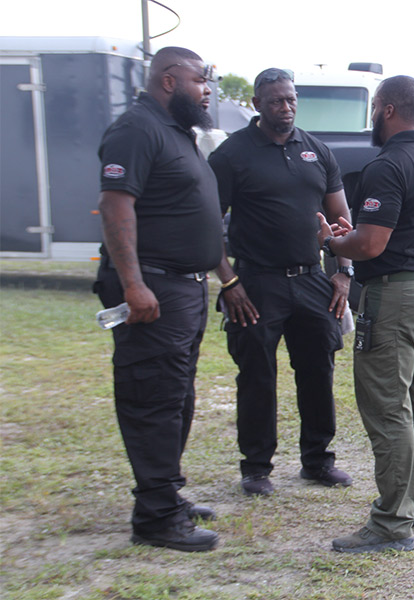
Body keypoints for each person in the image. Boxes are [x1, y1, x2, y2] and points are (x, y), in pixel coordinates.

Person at [316, 75, 414, 553]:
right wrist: (354, 232)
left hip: (397, 296)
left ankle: (393, 523)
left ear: (389, 109)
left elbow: (372, 244)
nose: (373, 115)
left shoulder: (387, 165)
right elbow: (402, 229)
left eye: (375, 107)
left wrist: (333, 242)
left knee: (386, 406)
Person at [94, 47, 222, 552]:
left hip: (183, 287)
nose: (207, 88)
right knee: (152, 398)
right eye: (200, 79)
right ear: (169, 81)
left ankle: (166, 494)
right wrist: (133, 283)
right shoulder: (136, 129)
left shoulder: (175, 132)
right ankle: (156, 517)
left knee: (176, 397)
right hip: (154, 286)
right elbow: (114, 204)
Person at [208, 68, 353, 497]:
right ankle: (256, 468)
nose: (285, 107)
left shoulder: (317, 151)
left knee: (317, 371)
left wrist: (343, 272)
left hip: (311, 281)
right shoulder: (231, 155)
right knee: (256, 375)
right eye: (275, 101)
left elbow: (342, 222)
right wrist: (229, 282)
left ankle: (318, 461)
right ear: (257, 104)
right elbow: (206, 225)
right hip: (255, 284)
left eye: (290, 99)